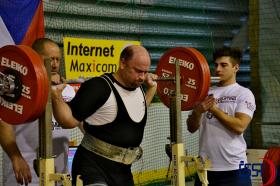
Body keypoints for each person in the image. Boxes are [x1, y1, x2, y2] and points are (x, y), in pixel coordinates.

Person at [51, 45, 158, 186]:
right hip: (92, 167)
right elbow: (69, 121)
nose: (142, 77)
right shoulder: (99, 87)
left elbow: (140, 108)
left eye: (145, 72)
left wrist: (151, 89)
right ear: (122, 63)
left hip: (123, 171)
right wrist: (56, 98)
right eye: (138, 71)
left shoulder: (137, 88)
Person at [0, 38, 76, 186]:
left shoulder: (67, 90)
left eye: (57, 59)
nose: (54, 64)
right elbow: (3, 124)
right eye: (49, 59)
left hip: (58, 175)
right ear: (34, 58)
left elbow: (77, 121)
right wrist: (16, 157)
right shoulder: (16, 89)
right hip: (25, 171)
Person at [186, 47, 256, 186]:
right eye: (216, 65)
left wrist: (214, 110)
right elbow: (191, 128)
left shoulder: (243, 93)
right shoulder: (204, 92)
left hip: (233, 169)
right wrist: (198, 112)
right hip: (205, 168)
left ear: (235, 68)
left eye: (223, 65)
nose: (218, 69)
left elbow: (239, 126)